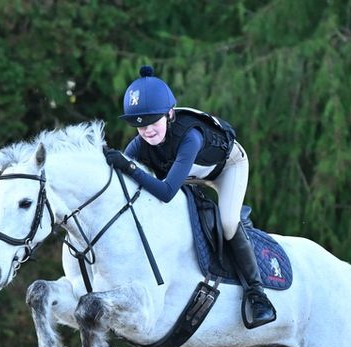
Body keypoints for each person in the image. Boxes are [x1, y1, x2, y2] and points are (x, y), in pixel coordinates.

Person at [104, 65, 277, 328]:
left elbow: (166, 192)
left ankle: (257, 295)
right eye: (140, 127)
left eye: (153, 122)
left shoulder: (190, 136)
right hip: (189, 173)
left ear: (169, 114)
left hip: (227, 167)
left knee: (228, 222)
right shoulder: (140, 144)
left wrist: (128, 166)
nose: (147, 131)